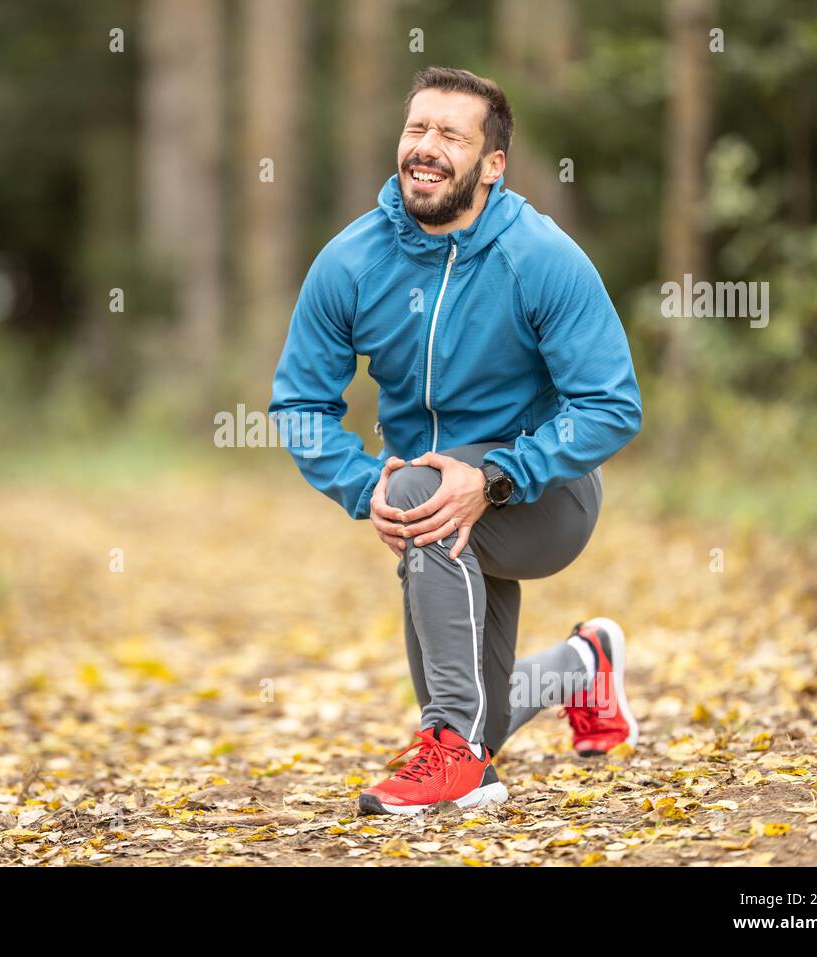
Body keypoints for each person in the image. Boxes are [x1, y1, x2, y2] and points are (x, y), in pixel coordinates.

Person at [269, 66, 643, 815]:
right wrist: (360, 482)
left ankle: (457, 756)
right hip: (430, 517)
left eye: (449, 134)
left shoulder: (539, 257)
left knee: (451, 724)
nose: (426, 148)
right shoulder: (351, 261)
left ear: (492, 164)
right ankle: (581, 665)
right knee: (476, 713)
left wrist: (498, 475)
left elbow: (611, 405)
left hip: (543, 496)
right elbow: (300, 401)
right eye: (416, 129)